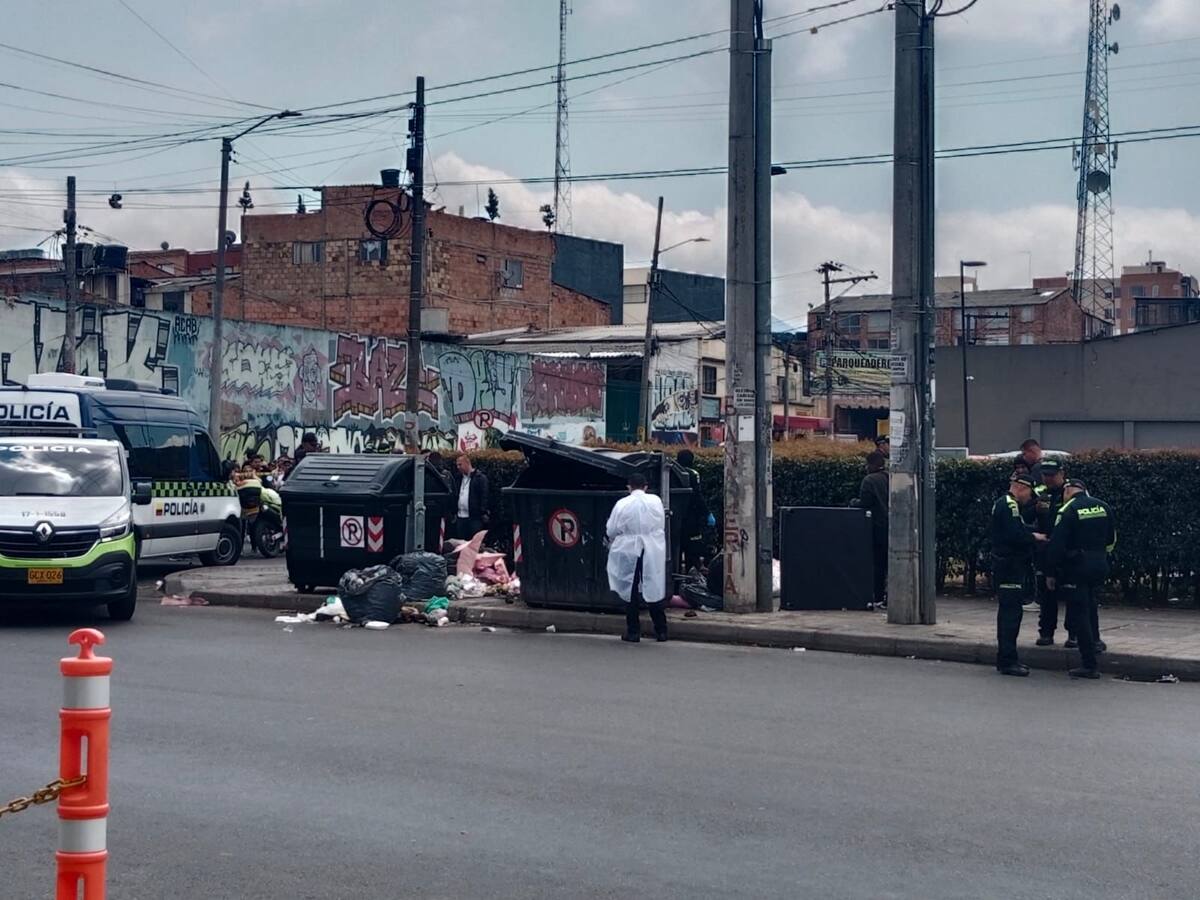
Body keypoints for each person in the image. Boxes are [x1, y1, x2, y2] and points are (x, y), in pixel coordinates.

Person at [1046, 478, 1116, 678]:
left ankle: (1089, 663)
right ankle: (1096, 641)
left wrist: (1051, 571)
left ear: (1068, 490)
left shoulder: (1068, 510)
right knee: (1091, 604)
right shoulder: (1103, 506)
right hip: (1099, 563)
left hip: (1076, 567)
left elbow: (1057, 545)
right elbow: (1112, 539)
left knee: (1079, 613)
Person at [990, 473, 1048, 677]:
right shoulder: (1010, 505)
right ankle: (1008, 661)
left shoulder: (1004, 503)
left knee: (1009, 612)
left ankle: (1005, 659)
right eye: (1030, 494)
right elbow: (1015, 534)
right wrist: (1035, 536)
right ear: (1021, 488)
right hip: (1009, 566)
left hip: (1007, 565)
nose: (1030, 498)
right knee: (1010, 615)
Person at [606, 472, 669, 643]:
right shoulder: (655, 501)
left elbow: (611, 529)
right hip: (652, 548)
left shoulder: (622, 504)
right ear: (646, 486)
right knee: (653, 585)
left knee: (630, 590)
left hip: (629, 548)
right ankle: (661, 630)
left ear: (629, 487)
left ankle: (633, 631)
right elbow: (661, 523)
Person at [1033, 458, 1075, 647]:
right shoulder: (1039, 492)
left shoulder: (1071, 492)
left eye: (1052, 475)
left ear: (1062, 473)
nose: (1048, 479)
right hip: (1045, 551)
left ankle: (1073, 634)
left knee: (1071, 593)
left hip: (1067, 552)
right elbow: (1028, 515)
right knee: (1046, 594)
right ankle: (1046, 633)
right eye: (1045, 475)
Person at [854, 450, 889, 608]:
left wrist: (853, 502)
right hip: (894, 527)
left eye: (867, 464)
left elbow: (865, 503)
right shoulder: (891, 477)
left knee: (878, 565)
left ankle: (878, 596)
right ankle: (890, 596)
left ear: (872, 465)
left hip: (877, 527)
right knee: (891, 564)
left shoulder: (869, 480)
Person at [676, 449, 711, 571]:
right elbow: (697, 496)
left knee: (676, 550)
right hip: (691, 519)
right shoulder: (693, 473)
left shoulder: (671, 472)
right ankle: (691, 579)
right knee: (692, 550)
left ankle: (676, 582)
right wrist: (707, 513)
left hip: (675, 518)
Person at [450, 453, 490, 541]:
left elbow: (484, 496)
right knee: (462, 542)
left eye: (460, 464)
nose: (458, 467)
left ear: (467, 463)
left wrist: (483, 511)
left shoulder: (480, 478)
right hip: (460, 516)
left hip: (474, 517)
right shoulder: (458, 478)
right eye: (457, 465)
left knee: (474, 542)